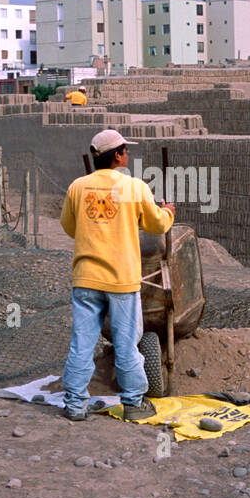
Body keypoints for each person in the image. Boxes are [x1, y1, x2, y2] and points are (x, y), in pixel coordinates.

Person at [59, 129, 174, 422]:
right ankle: (133, 403)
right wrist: (168, 212)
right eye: (126, 149)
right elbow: (157, 225)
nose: (128, 154)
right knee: (126, 344)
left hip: (85, 278)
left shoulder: (77, 187)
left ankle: (74, 404)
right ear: (118, 156)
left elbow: (70, 228)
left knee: (82, 343)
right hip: (121, 279)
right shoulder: (135, 188)